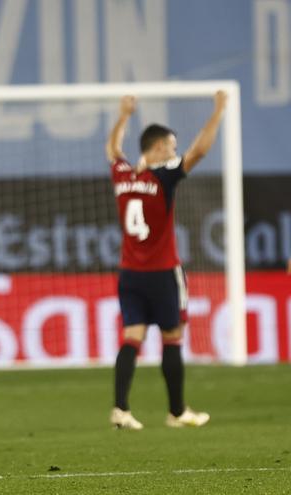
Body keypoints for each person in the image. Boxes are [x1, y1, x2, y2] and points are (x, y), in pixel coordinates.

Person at [106, 91, 227, 430]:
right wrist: (218, 112)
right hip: (162, 273)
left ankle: (121, 409)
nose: (175, 151)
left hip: (130, 273)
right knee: (172, 336)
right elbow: (200, 151)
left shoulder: (123, 177)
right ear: (158, 148)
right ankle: (176, 412)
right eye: (172, 146)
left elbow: (113, 150)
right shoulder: (163, 176)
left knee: (132, 336)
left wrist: (124, 116)